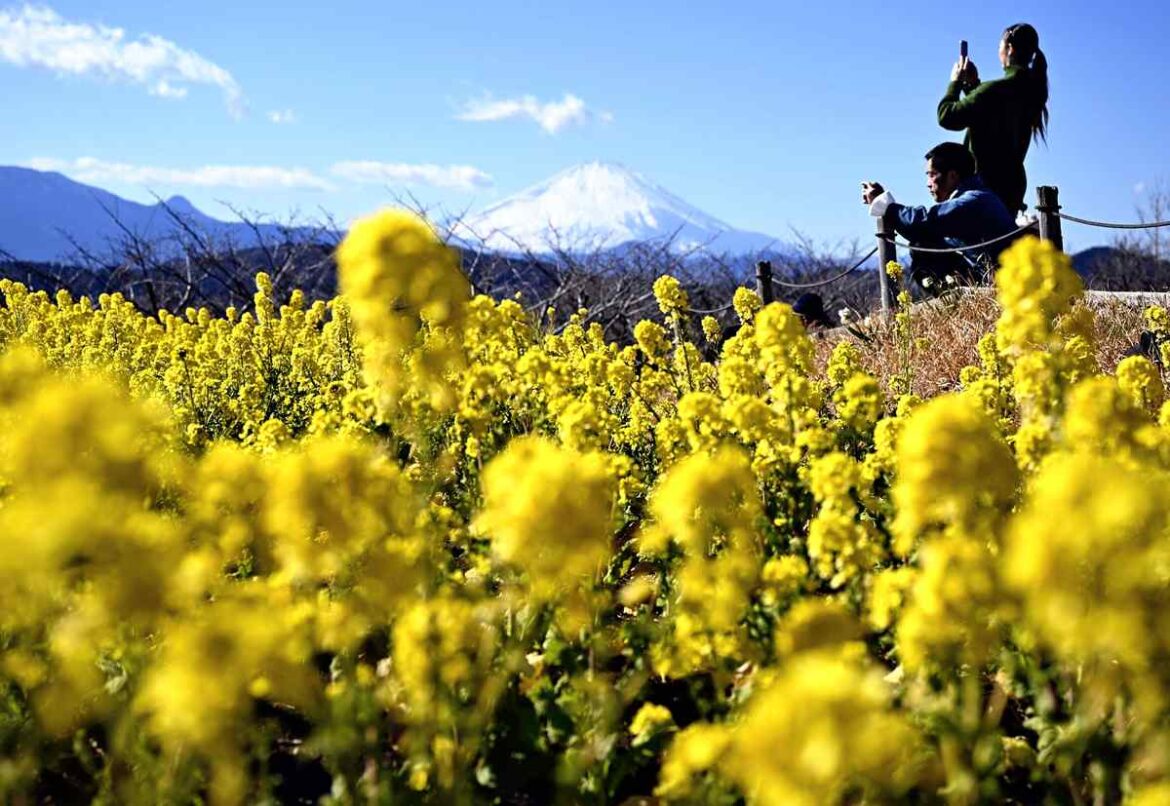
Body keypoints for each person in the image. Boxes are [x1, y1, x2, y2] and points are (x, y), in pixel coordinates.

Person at [861, 142, 1020, 287]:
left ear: (952, 175)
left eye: (932, 174)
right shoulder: (980, 197)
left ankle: (953, 305)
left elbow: (924, 222)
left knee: (922, 247)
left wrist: (885, 204)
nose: (928, 183)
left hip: (1002, 286)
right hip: (998, 280)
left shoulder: (972, 201)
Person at [938, 23, 1050, 215]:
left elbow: (947, 116)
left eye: (999, 46)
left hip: (983, 188)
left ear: (1010, 48)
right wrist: (974, 85)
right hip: (1011, 189)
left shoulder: (995, 91)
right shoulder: (1030, 92)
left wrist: (955, 83)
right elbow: (992, 117)